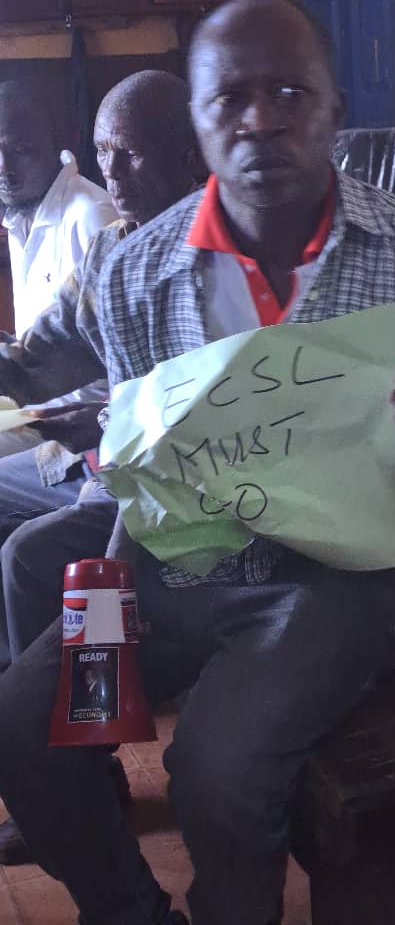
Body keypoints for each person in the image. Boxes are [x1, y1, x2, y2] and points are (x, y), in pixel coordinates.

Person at [0, 0, 395, 925]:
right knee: (27, 719)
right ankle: (128, 911)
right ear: (199, 123)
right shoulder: (133, 273)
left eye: (290, 93)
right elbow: (141, 465)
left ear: (333, 106)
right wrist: (108, 616)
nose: (260, 120)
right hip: (175, 551)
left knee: (218, 767)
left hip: (339, 577)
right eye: (229, 98)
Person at [0, 69, 195, 864]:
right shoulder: (114, 248)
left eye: (132, 154)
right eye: (104, 151)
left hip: (193, 498)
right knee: (29, 560)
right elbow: (37, 358)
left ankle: (90, 751)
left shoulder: (211, 251)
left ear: (187, 156)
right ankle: (83, 773)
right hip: (121, 475)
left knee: (95, 582)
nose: (112, 172)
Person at [0, 80, 116, 457]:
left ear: (61, 140)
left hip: (80, 422)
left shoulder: (90, 216)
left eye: (20, 150)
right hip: (34, 401)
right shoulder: (20, 217)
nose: (4, 169)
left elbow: (109, 366)